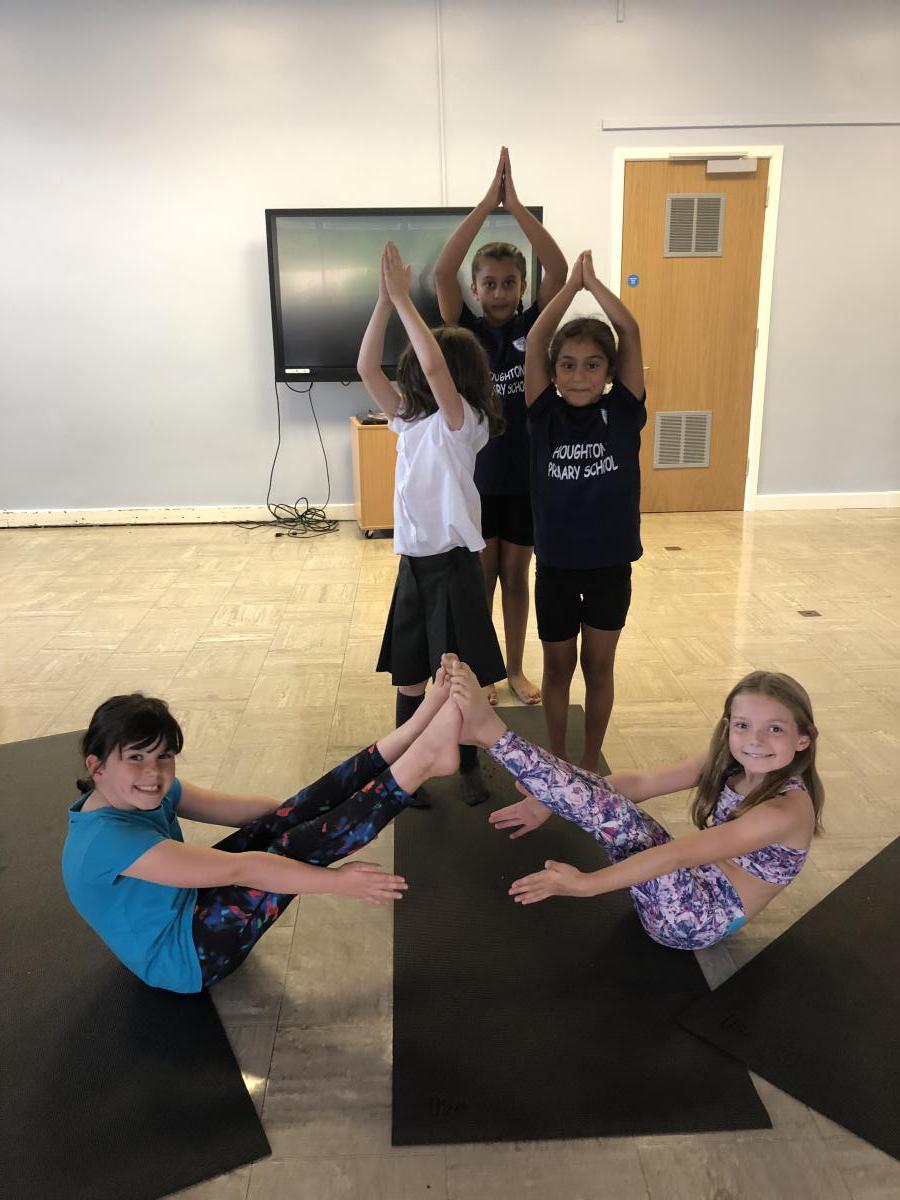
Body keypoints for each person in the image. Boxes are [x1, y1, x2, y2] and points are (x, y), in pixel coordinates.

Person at [61, 677, 464, 993]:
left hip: (189, 906)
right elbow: (243, 870)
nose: (153, 772)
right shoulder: (106, 842)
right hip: (183, 959)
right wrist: (339, 882)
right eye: (135, 757)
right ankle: (423, 761)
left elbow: (254, 813)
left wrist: (315, 812)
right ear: (97, 767)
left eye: (163, 755)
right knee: (290, 848)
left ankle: (414, 731)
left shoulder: (143, 792)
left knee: (288, 821)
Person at [448, 660, 823, 951]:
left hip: (696, 922)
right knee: (609, 802)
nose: (755, 740)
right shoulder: (729, 762)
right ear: (728, 727)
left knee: (621, 818)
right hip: (682, 890)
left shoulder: (785, 811)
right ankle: (488, 737)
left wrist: (586, 885)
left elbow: (676, 856)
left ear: (803, 739)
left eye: (775, 729)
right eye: (743, 725)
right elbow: (644, 782)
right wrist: (553, 802)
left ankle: (491, 735)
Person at [357, 241, 506, 806]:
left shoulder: (463, 423)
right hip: (414, 568)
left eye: (423, 368)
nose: (417, 374)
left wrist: (405, 300)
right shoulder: (407, 420)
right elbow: (366, 367)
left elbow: (436, 366)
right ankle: (408, 762)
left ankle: (466, 763)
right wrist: (383, 301)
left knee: (458, 675)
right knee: (410, 677)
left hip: (454, 566)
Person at [435, 147, 567, 708]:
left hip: (525, 478)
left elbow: (558, 270)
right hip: (478, 480)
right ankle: (481, 672)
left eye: (510, 282)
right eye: (488, 283)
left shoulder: (535, 326)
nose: (499, 292)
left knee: (517, 577)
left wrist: (517, 209)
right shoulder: (462, 330)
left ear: (521, 287)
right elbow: (443, 271)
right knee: (481, 578)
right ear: (475, 288)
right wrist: (487, 204)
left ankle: (514, 668)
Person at [524, 249, 646, 771]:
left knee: (598, 667)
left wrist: (592, 286)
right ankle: (558, 761)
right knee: (557, 668)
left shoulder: (623, 411)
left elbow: (630, 331)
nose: (579, 376)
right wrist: (567, 290)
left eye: (592, 365)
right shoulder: (543, 414)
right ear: (553, 372)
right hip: (556, 564)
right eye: (568, 365)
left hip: (609, 566)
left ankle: (591, 761)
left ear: (609, 371)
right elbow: (535, 341)